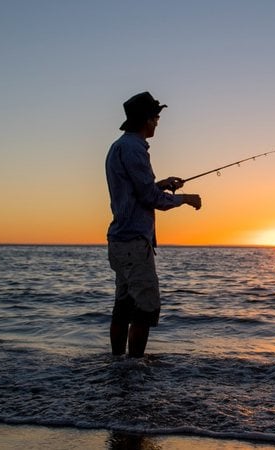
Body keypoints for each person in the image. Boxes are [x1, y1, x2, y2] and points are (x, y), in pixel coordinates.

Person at [105, 91, 202, 358]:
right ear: (146, 120)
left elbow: (137, 191)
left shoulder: (118, 147)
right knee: (145, 308)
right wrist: (184, 198)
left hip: (120, 241)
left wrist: (162, 184)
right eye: (156, 116)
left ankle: (118, 364)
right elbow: (149, 198)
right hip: (135, 242)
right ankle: (135, 368)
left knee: (123, 307)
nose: (158, 121)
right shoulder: (135, 148)